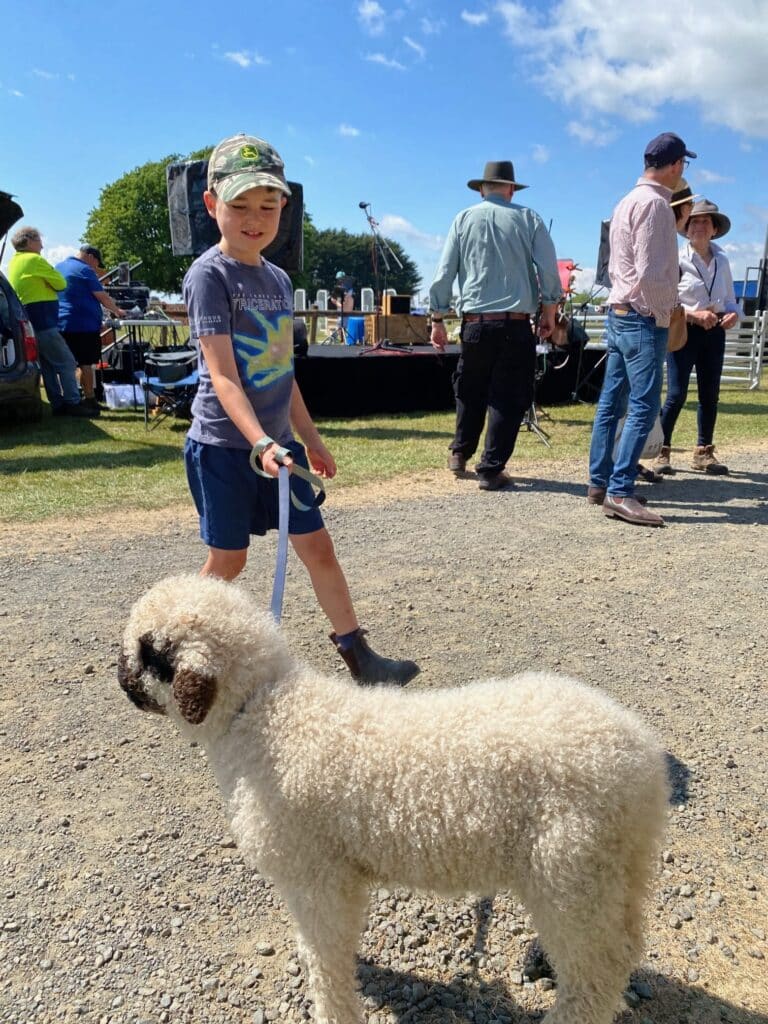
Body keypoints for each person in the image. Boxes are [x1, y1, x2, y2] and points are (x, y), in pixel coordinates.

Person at [182, 132, 419, 686]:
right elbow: (223, 375)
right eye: (239, 205)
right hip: (224, 446)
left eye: (268, 206)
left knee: (318, 547)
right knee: (229, 561)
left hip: (278, 448)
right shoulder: (208, 276)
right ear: (212, 204)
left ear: (284, 209)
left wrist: (305, 438)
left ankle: (362, 659)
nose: (254, 217)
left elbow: (280, 373)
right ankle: (184, 656)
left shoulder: (278, 279)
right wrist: (259, 442)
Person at [429, 160, 561, 492]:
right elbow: (548, 271)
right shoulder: (528, 218)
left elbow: (444, 273)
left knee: (469, 388)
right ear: (511, 188)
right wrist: (549, 311)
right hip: (515, 324)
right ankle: (490, 468)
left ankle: (459, 451)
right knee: (508, 395)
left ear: (482, 188)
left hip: (474, 323)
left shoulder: (462, 219)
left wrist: (437, 319)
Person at [587, 132, 696, 527]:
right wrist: (664, 311)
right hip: (641, 314)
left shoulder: (627, 201)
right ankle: (619, 491)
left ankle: (600, 482)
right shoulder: (655, 206)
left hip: (620, 311)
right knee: (644, 403)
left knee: (612, 400)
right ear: (676, 165)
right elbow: (652, 273)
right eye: (683, 163)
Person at [653, 199, 740, 476]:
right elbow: (668, 299)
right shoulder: (676, 259)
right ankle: (661, 451)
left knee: (710, 394)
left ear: (714, 229)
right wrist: (694, 314)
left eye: (705, 222)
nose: (699, 226)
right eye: (694, 221)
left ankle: (704, 452)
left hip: (714, 331)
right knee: (676, 393)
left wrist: (733, 314)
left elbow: (730, 299)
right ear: (687, 229)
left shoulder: (722, 260)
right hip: (684, 329)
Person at [6, 227, 96, 417]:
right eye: (39, 240)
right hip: (44, 320)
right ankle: (72, 402)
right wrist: (49, 283)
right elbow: (61, 284)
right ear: (29, 241)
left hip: (29, 320)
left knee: (47, 364)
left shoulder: (14, 262)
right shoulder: (34, 260)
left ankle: (57, 403)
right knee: (67, 362)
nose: (42, 244)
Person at [56, 245, 126, 414]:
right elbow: (102, 296)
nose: (96, 267)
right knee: (86, 363)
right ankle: (90, 399)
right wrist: (118, 311)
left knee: (68, 364)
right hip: (82, 325)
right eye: (96, 263)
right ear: (90, 257)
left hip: (62, 323)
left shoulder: (58, 267)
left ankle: (72, 398)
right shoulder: (85, 270)